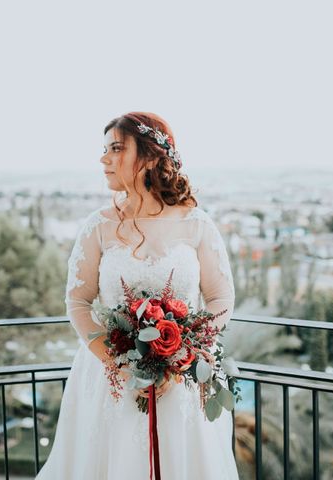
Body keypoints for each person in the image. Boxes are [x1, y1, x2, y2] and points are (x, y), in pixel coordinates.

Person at [36, 112, 239, 479]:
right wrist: (118, 363)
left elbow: (221, 298)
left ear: (148, 156)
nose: (104, 159)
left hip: (183, 379)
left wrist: (184, 354)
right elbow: (78, 302)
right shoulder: (98, 226)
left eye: (116, 148)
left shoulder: (196, 223)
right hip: (109, 379)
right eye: (105, 150)